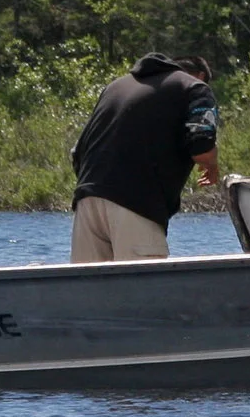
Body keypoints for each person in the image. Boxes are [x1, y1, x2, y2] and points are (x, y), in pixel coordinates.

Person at [70, 53, 221, 263]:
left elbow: (77, 152)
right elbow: (201, 146)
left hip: (87, 200)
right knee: (145, 283)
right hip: (136, 203)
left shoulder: (115, 87)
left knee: (89, 284)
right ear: (201, 75)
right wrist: (212, 165)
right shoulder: (194, 87)